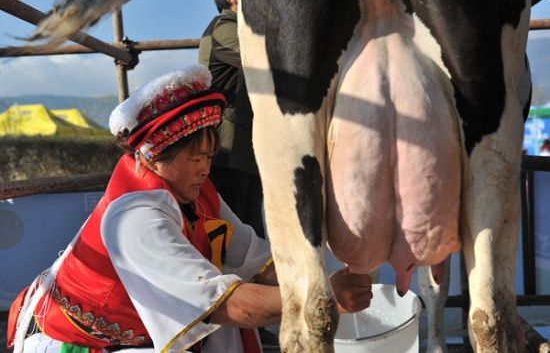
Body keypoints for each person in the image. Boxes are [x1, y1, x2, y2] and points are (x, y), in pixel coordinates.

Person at [7, 64, 373, 353]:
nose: (205, 167)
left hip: (135, 330)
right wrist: (322, 299)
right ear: (155, 156)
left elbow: (254, 258)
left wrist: (320, 280)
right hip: (83, 342)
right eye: (194, 157)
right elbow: (227, 307)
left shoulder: (196, 192)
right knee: (220, 324)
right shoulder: (135, 220)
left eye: (209, 156)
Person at [198, 0, 265, 239]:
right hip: (226, 153)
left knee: (252, 234)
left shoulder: (243, 30)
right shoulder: (224, 28)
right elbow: (265, 59)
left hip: (245, 152)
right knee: (233, 236)